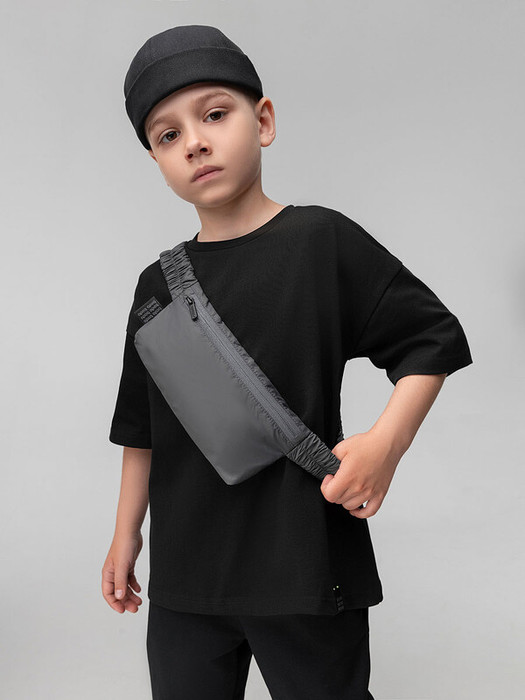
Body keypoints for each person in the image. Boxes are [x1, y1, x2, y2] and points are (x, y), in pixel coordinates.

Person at [101, 24, 473, 700]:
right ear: (157, 159)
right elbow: (142, 427)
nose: (195, 142)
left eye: (215, 114)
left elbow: (432, 339)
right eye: (168, 134)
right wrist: (126, 535)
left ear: (264, 121)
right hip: (186, 578)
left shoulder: (320, 241)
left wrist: (386, 446)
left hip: (304, 565)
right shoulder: (156, 288)